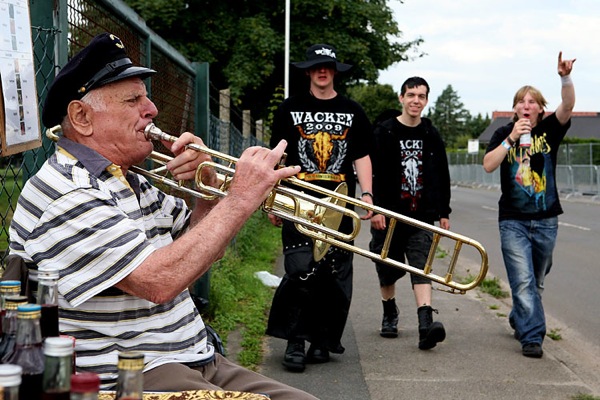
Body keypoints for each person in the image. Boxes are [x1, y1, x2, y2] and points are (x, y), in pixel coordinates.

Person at [7, 32, 318, 399]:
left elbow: (201, 250)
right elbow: (159, 281)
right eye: (134, 100)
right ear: (82, 117)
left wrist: (208, 192)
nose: (152, 109)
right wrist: (240, 197)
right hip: (129, 373)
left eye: (147, 97)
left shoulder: (128, 179)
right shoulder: (67, 192)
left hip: (195, 355)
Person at [265, 44, 373, 372]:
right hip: (299, 202)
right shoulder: (289, 109)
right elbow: (277, 156)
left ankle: (322, 341)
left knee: (335, 276)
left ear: (334, 71)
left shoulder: (353, 111)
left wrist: (367, 194)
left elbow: (361, 156)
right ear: (309, 72)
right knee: (300, 270)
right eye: (316, 66)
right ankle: (296, 341)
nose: (322, 71)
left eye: (327, 66)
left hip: (341, 206)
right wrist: (272, 195)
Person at [482, 51, 576, 359]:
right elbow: (488, 165)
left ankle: (520, 317)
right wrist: (510, 138)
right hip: (513, 220)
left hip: (547, 219)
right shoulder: (502, 132)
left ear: (540, 108)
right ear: (514, 108)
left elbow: (569, 105)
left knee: (534, 280)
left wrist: (565, 77)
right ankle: (533, 337)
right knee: (522, 280)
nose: (526, 105)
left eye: (532, 101)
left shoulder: (550, 129)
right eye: (521, 101)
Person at [369, 77, 450, 350]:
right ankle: (389, 312)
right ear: (400, 98)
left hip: (421, 215)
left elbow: (442, 174)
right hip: (388, 215)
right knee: (387, 267)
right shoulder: (384, 132)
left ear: (427, 101)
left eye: (422, 96)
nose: (416, 100)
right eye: (411, 94)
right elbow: (374, 175)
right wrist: (375, 207)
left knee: (421, 266)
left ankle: (425, 326)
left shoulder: (430, 133)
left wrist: (443, 211)